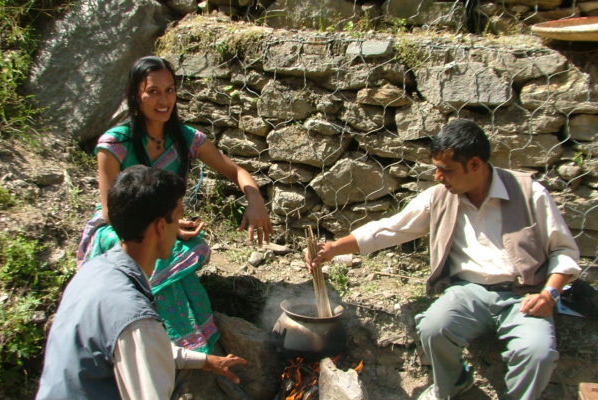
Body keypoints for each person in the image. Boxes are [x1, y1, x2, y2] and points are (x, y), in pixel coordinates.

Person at [306, 119, 581, 400]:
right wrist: (333, 248)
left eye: (446, 170)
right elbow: (390, 229)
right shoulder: (439, 198)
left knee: (537, 353)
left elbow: (564, 251)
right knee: (433, 327)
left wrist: (549, 293)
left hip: (524, 295)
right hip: (468, 292)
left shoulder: (529, 193)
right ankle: (454, 384)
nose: (438, 177)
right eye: (436, 168)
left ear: (474, 164)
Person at [76, 55, 272, 354]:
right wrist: (165, 226)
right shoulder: (114, 144)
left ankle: (189, 346)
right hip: (119, 229)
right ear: (135, 94)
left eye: (169, 90)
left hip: (163, 228)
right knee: (162, 253)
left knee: (176, 247)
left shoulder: (184, 137)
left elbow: (236, 171)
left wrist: (255, 200)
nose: (163, 99)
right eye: (153, 91)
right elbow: (110, 211)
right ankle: (184, 346)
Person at [37, 165, 247, 399]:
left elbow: (138, 349)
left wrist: (204, 361)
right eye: (177, 219)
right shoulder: (135, 317)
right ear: (160, 227)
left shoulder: (93, 271)